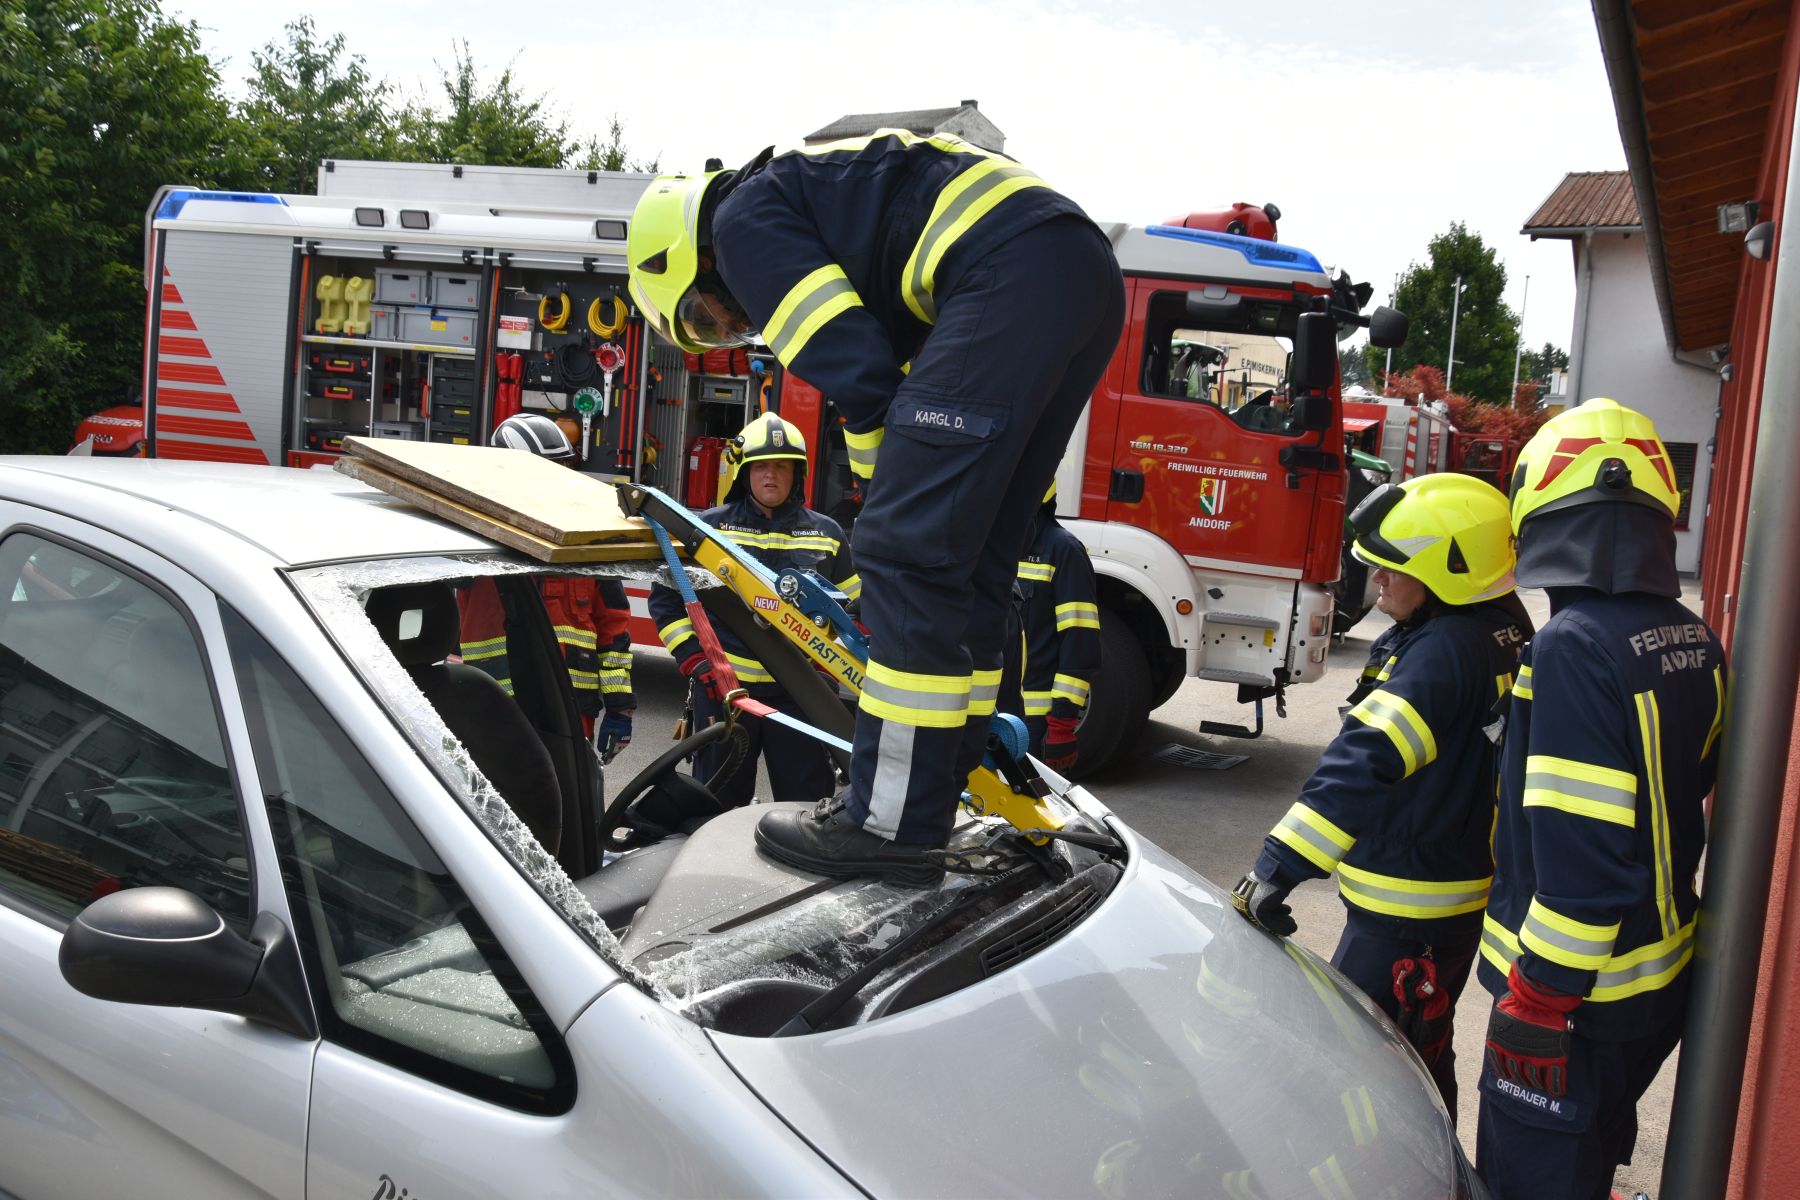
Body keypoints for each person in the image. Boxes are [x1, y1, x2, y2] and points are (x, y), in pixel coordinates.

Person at [627, 131, 1125, 884]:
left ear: (683, 252)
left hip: (1008, 269)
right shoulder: (816, 206)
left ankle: (889, 821)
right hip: (1075, 273)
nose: (730, 327)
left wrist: (888, 515)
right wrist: (884, 491)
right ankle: (958, 773)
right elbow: (879, 400)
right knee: (976, 555)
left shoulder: (742, 225)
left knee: (907, 554)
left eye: (706, 315)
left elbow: (857, 374)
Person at [1474, 399, 1724, 1199]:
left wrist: (1538, 998)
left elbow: (1583, 865)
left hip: (1573, 1004)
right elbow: (1697, 780)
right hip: (1651, 990)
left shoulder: (1570, 647)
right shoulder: (1694, 638)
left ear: (1540, 508)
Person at [1232, 473, 1532, 1113]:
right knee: (1425, 1047)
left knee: (1363, 1066)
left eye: (1393, 571)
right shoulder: (1496, 624)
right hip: (1447, 891)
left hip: (1407, 912)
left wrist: (1274, 871)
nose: (1378, 585)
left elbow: (1364, 760)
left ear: (1451, 573)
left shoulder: (1444, 651)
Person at [647, 412, 854, 807]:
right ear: (744, 472)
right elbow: (666, 600)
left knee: (807, 806)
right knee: (716, 806)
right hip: (726, 692)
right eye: (761, 466)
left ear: (799, 473)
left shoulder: (828, 534)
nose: (771, 475)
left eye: (781, 466)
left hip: (802, 693)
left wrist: (828, 673)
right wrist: (699, 665)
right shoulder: (707, 530)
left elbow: (852, 615)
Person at [461, 414, 636, 760]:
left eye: (562, 469)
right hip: (497, 714)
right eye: (545, 471)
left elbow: (613, 632)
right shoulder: (473, 541)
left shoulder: (585, 542)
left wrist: (621, 708)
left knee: (575, 807)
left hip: (571, 713)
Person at [1005, 481, 1099, 774]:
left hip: (1034, 722)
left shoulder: (1063, 551)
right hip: (987, 710)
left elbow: (1080, 640)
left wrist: (1062, 723)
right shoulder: (994, 543)